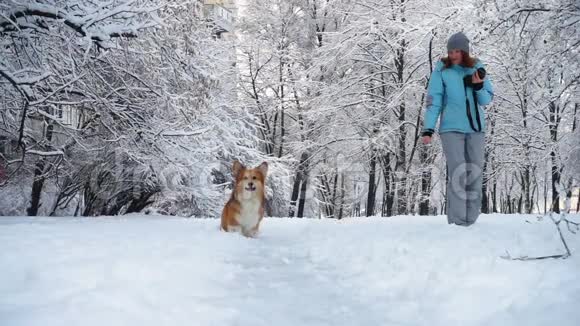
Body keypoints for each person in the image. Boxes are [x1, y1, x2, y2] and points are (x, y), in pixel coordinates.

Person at [421, 32, 494, 226]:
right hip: (451, 128)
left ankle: (471, 220)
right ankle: (458, 222)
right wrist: (428, 129)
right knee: (459, 171)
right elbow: (433, 100)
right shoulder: (442, 70)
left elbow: (487, 99)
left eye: (457, 51)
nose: (453, 55)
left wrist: (478, 87)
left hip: (476, 128)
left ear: (465, 51)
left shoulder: (477, 67)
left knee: (475, 172)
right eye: (450, 51)